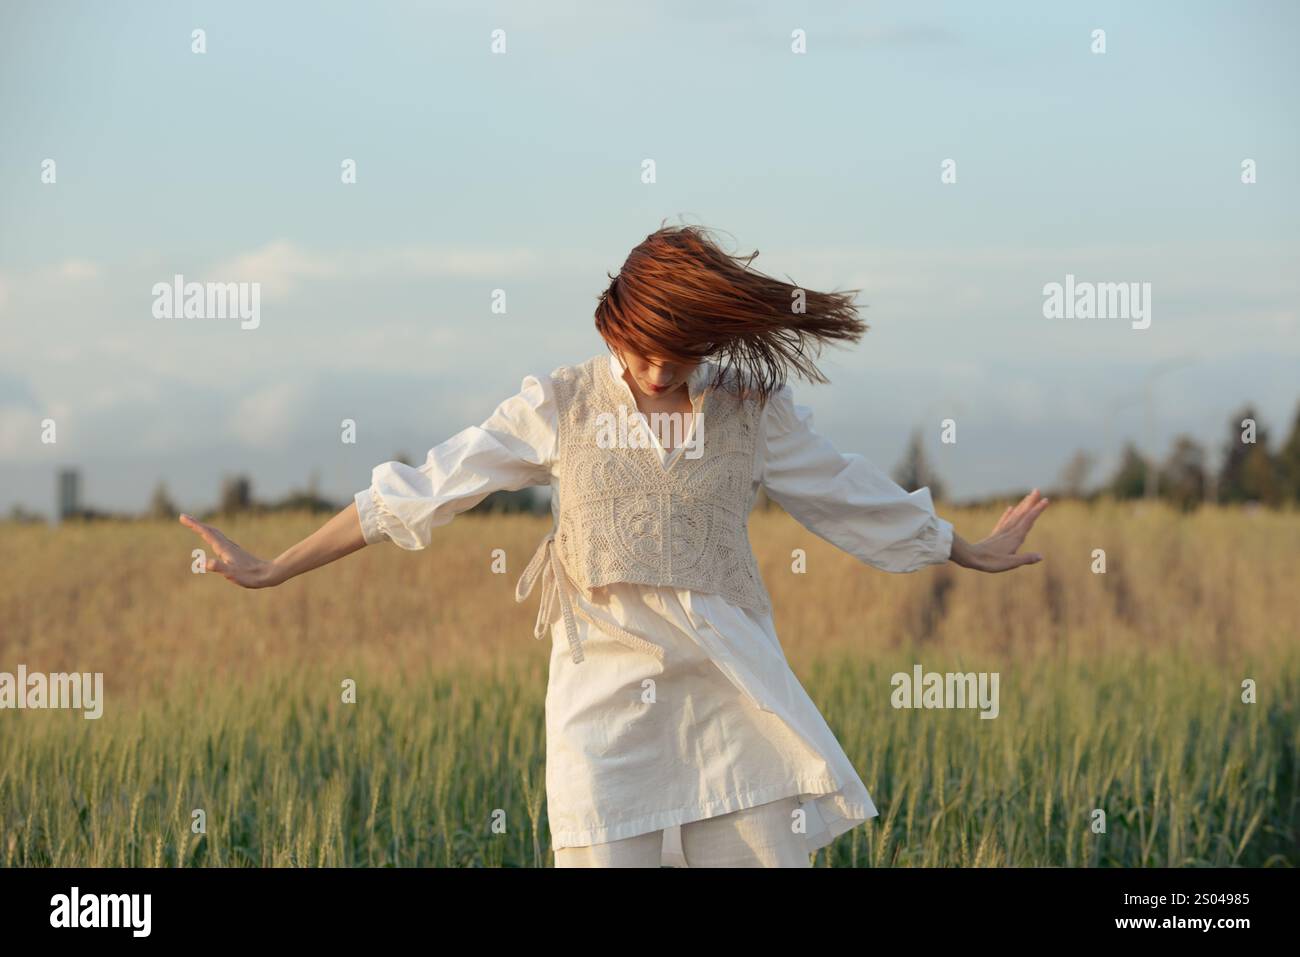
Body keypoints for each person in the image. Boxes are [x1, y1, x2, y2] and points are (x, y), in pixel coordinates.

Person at [181, 223, 1049, 868]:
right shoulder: (561, 404)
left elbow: (843, 489)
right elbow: (430, 485)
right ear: (612, 327)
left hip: (727, 693)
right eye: (644, 350)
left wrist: (961, 547)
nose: (662, 372)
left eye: (682, 352)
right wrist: (272, 566)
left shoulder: (750, 411)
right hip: (601, 700)